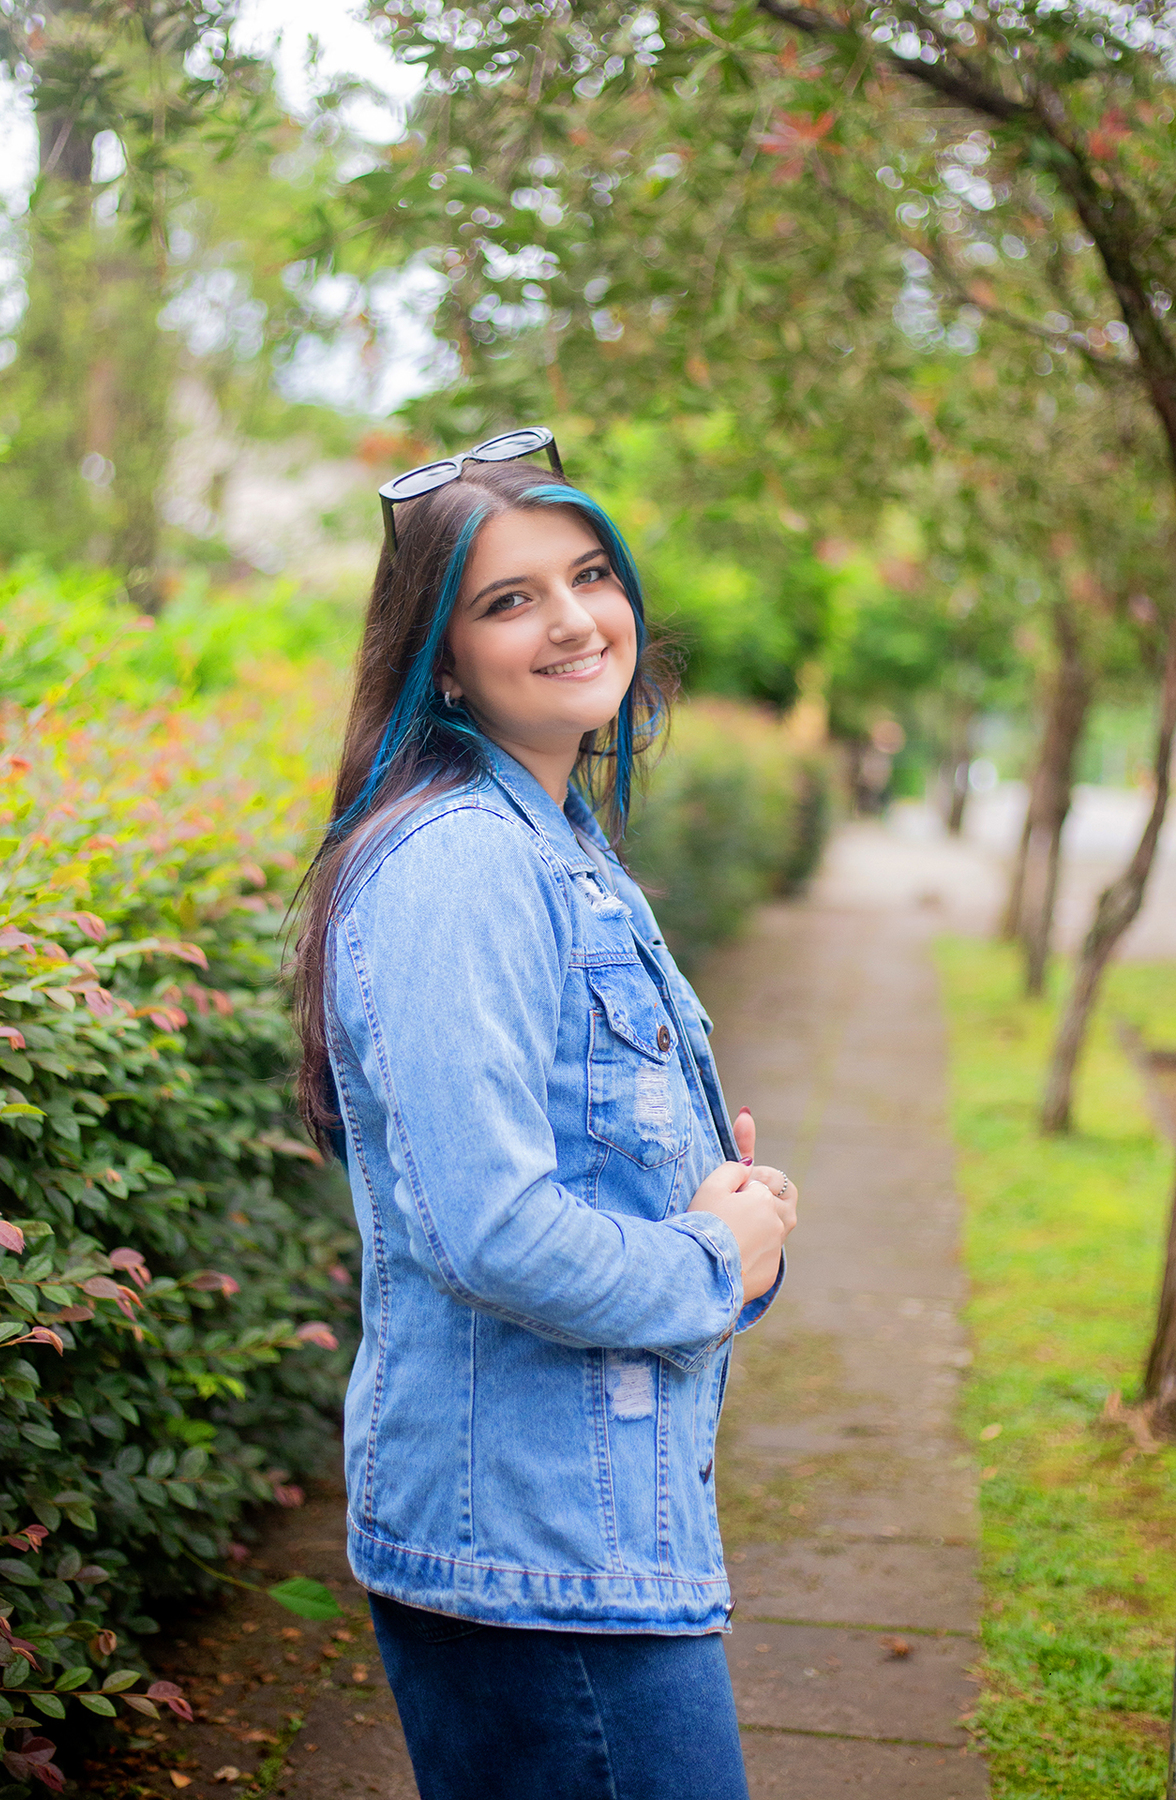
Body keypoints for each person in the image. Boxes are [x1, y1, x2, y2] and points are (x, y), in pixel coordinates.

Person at [293, 430, 797, 1800]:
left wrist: (717, 1201)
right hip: (536, 1552)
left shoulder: (554, 839)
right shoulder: (460, 865)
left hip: (584, 1528)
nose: (576, 620)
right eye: (511, 599)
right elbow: (496, 1231)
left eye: (588, 575)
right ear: (440, 660)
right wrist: (715, 1259)